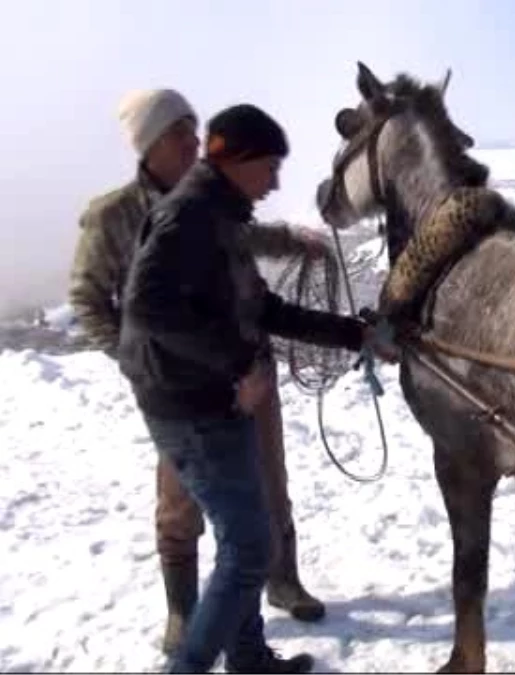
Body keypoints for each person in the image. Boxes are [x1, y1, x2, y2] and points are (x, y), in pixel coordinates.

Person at [116, 102, 399, 672]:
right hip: (193, 407)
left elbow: (260, 307)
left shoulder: (221, 217)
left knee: (242, 538)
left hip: (210, 400)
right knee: (249, 549)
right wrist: (237, 367)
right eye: (269, 165)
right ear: (237, 160)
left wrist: (355, 335)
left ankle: (248, 659)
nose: (275, 180)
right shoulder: (189, 218)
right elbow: (147, 311)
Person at [68, 89, 334, 656]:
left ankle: (273, 597)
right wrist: (144, 362)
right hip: (186, 386)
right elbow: (97, 301)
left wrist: (291, 243)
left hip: (242, 374)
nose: (194, 143)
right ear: (150, 144)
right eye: (181, 135)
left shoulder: (213, 202)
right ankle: (185, 612)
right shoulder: (117, 214)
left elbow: (242, 245)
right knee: (183, 502)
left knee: (266, 486)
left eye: (196, 132)